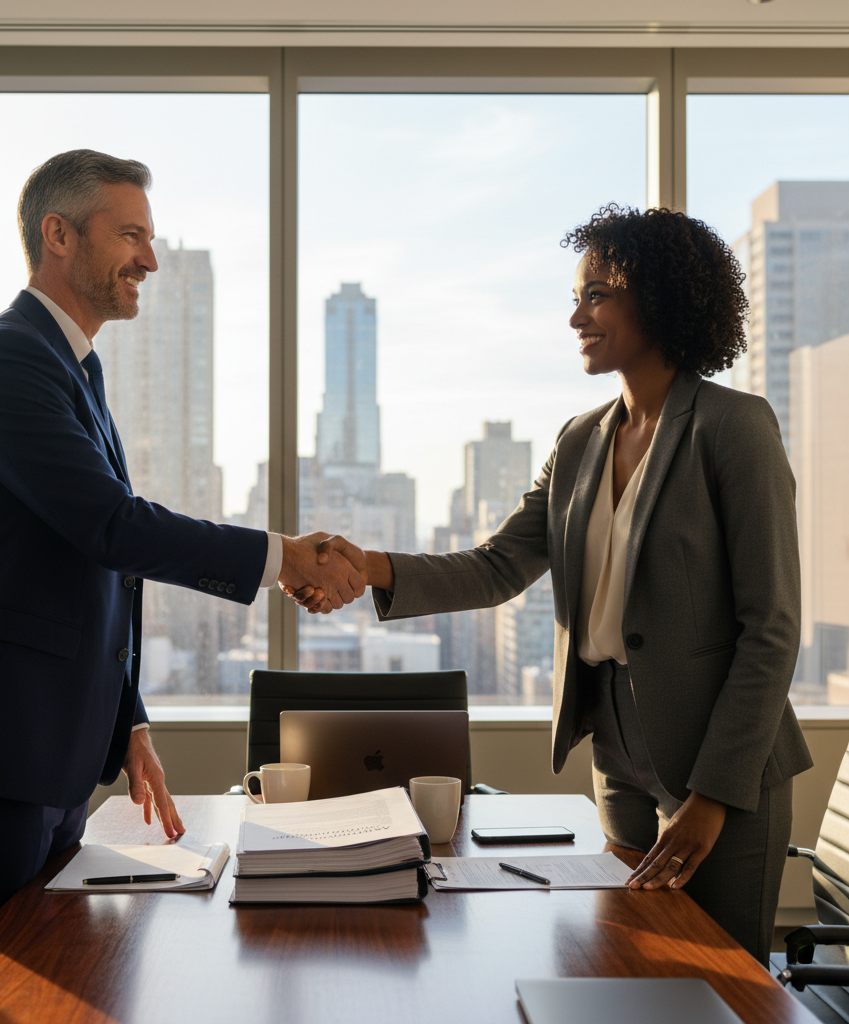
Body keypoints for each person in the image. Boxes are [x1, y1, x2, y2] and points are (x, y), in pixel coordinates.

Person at [0, 149, 364, 975]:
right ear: (58, 234)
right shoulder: (4, 359)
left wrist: (127, 718)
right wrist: (281, 556)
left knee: (54, 974)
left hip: (45, 744)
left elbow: (87, 568)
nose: (150, 257)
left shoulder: (73, 367)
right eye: (131, 234)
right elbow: (110, 527)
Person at [288, 204, 813, 964]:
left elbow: (772, 631)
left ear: (658, 299)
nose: (576, 316)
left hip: (721, 759)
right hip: (619, 753)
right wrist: (365, 565)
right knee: (628, 966)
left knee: (723, 982)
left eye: (597, 294)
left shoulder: (733, 429)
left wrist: (715, 795)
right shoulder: (579, 442)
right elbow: (499, 565)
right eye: (578, 296)